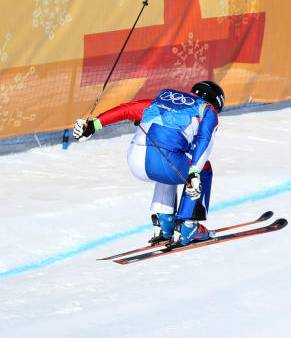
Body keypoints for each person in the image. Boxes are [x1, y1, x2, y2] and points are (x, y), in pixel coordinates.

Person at [72, 81, 225, 246]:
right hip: (163, 162)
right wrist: (195, 171)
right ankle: (189, 226)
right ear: (216, 104)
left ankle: (165, 223)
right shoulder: (207, 110)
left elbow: (127, 110)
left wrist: (93, 125)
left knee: (173, 156)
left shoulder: (167, 98)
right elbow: (204, 139)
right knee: (203, 169)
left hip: (135, 159)